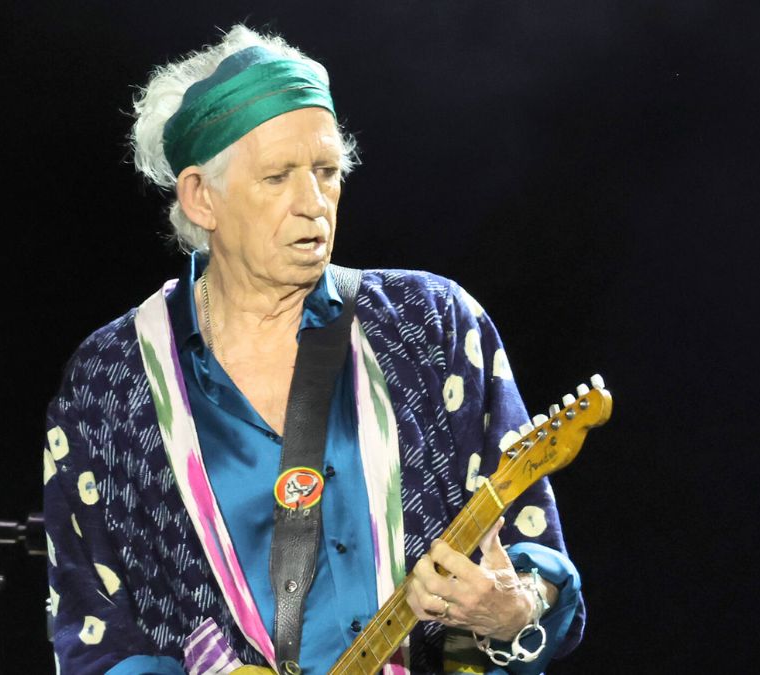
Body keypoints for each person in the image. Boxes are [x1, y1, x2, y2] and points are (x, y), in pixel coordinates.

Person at [43, 25, 583, 675]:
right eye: (278, 177)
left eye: (327, 172)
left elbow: (538, 561)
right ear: (200, 197)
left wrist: (512, 609)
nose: (313, 204)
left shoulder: (431, 324)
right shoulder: (111, 380)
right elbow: (93, 638)